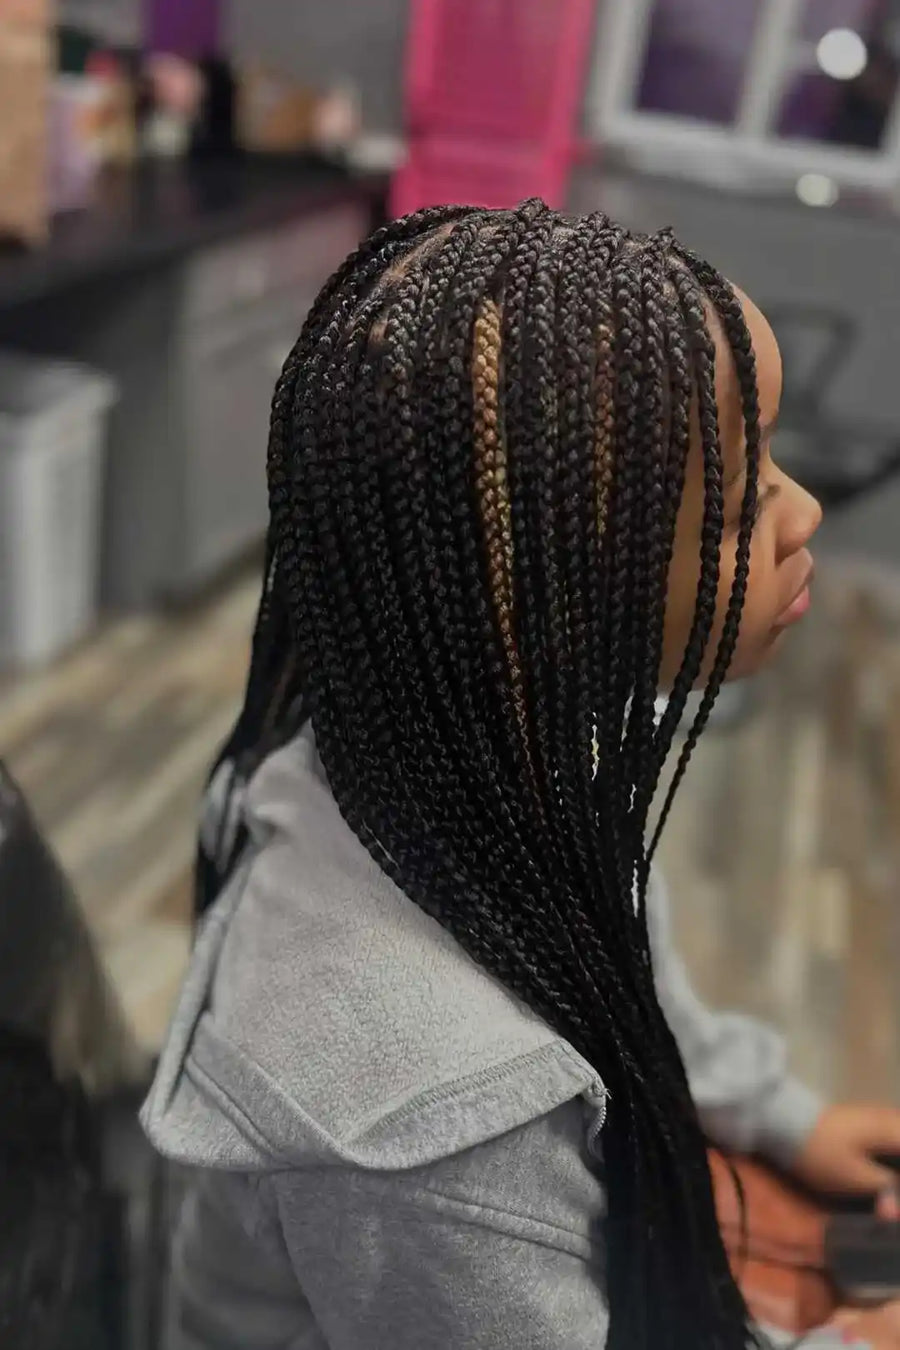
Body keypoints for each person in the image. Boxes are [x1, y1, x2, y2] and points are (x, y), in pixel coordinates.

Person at [143, 203, 900, 1349]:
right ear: (538, 598)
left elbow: (619, 968)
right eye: (743, 501)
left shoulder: (483, 757)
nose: (805, 513)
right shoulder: (439, 1113)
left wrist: (776, 1116)